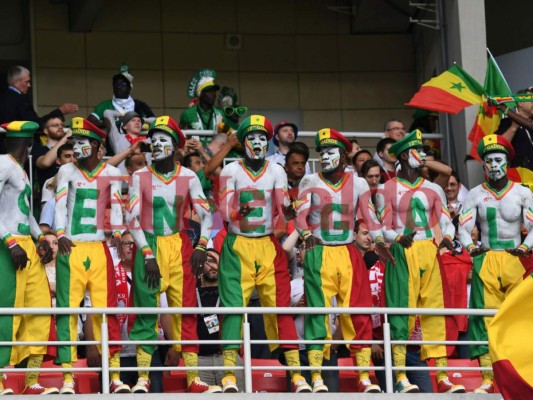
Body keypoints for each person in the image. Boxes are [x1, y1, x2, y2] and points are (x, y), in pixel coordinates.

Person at [126, 116, 221, 394]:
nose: (156, 144)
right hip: (150, 244)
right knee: (146, 312)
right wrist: (146, 253)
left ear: (175, 146)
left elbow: (205, 213)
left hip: (180, 245)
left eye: (163, 139)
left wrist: (202, 245)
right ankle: (143, 377)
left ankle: (193, 377)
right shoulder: (139, 176)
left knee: (188, 311)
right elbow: (132, 219)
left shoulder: (189, 176)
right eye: (153, 140)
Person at [218, 115, 311, 393]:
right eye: (252, 138)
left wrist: (289, 211)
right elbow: (223, 208)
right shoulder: (230, 170)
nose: (257, 143)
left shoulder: (276, 170)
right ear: (243, 142)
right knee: (234, 311)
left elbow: (283, 202)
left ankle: (296, 374)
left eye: (262, 138)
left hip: (268, 243)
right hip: (238, 244)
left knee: (280, 308)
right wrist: (236, 212)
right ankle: (228, 375)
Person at [295, 128, 391, 394]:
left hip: (348, 251)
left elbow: (369, 217)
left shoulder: (359, 183)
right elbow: (300, 216)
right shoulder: (309, 180)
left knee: (358, 312)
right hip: (320, 250)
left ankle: (363, 375)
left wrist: (380, 241)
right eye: (322, 151)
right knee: (317, 315)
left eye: (331, 151)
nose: (325, 156)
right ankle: (316, 376)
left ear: (343, 155)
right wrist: (305, 235)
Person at [374, 129, 465, 394]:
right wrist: (397, 237)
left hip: (430, 250)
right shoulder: (386, 188)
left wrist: (447, 238)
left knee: (434, 312)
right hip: (403, 251)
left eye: (424, 151)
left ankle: (443, 375)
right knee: (402, 312)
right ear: (403, 155)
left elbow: (446, 221)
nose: (423, 156)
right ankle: (401, 375)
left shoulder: (434, 187)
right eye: (418, 151)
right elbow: (380, 228)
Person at [54, 117, 128, 394]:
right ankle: (67, 377)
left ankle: (115, 374)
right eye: (74, 142)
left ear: (97, 145)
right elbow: (60, 206)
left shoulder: (110, 174)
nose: (77, 147)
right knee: (68, 313)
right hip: (71, 247)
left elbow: (118, 208)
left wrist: (118, 234)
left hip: (99, 247)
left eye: (83, 142)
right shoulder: (66, 171)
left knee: (105, 310)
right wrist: (60, 234)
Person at [458, 134, 533, 394]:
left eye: (498, 159)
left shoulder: (523, 192)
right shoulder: (476, 194)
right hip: (487, 258)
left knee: (517, 318)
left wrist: (524, 247)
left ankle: (521, 370)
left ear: (507, 162)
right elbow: (464, 228)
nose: (493, 165)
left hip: (515, 259)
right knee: (484, 318)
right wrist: (472, 249)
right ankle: (488, 377)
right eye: (488, 161)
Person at [0, 121, 56, 395]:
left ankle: (31, 380)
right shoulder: (3, 163)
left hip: (26, 246)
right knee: (6, 313)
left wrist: (41, 238)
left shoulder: (20, 168)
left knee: (39, 309)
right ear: (30, 144)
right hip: (7, 246)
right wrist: (10, 243)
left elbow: (28, 215)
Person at [196, 248, 245, 389]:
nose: (214, 266)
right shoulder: (191, 291)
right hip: (200, 360)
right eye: (209, 261)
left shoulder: (231, 291)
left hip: (227, 357)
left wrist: (222, 265)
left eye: (218, 262)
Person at [0, 66, 78, 126]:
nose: (29, 85)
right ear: (16, 82)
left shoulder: (3, 97)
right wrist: (59, 111)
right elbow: (35, 124)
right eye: (26, 82)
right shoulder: (20, 100)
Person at [88, 64, 154, 128]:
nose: (119, 86)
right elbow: (89, 122)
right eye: (116, 84)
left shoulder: (140, 105)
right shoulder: (104, 106)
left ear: (130, 88)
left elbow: (154, 122)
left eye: (123, 84)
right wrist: (108, 125)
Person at [180, 69, 224, 136]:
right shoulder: (187, 114)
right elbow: (182, 138)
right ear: (200, 94)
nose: (213, 94)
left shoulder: (220, 114)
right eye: (208, 91)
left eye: (214, 91)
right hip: (195, 146)